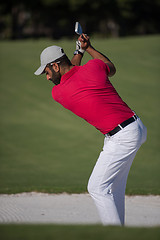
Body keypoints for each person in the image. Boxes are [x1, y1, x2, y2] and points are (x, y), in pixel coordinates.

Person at [34, 34, 147, 225]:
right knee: (113, 188)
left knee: (97, 188)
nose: (47, 78)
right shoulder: (94, 68)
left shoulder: (59, 92)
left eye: (46, 72)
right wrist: (88, 48)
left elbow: (72, 71)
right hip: (135, 127)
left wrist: (79, 51)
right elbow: (110, 67)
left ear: (54, 66)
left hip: (122, 137)